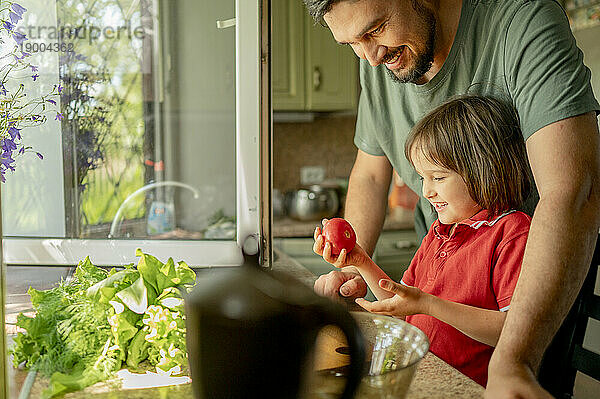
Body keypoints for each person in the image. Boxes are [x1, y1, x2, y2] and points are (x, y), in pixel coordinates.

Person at [303, 0, 600, 397]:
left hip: (529, 316)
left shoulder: (521, 21)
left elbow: (572, 192)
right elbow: (372, 175)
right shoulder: (377, 56)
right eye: (351, 43)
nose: (370, 58)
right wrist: (353, 266)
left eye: (375, 29)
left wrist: (514, 360)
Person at [315, 95, 532, 386]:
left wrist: (427, 305)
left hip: (462, 386)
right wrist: (361, 260)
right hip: (420, 376)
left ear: (483, 169)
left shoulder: (511, 232)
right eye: (422, 179)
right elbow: (402, 302)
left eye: (438, 178)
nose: (427, 192)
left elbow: (511, 330)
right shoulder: (439, 233)